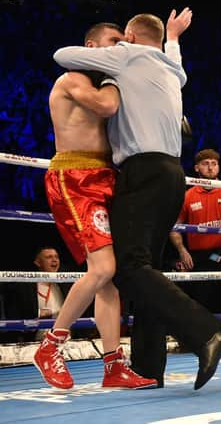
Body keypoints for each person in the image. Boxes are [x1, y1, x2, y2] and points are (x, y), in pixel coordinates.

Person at [52, 8, 221, 390]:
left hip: (143, 172)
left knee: (130, 268)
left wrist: (111, 57)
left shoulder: (126, 57)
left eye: (122, 40)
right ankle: (150, 368)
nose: (117, 45)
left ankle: (206, 333)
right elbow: (174, 59)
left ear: (130, 39)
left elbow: (61, 55)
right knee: (145, 269)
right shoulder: (172, 70)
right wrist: (173, 37)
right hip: (172, 174)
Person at [33, 22, 157, 390]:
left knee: (109, 282)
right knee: (103, 269)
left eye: (124, 43)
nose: (120, 48)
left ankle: (113, 366)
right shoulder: (72, 80)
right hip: (74, 177)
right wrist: (121, 78)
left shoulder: (100, 82)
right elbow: (106, 105)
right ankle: (51, 346)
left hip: (104, 177)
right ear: (91, 45)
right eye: (113, 42)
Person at [169, 148, 221, 346]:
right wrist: (182, 250)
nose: (210, 167)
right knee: (201, 298)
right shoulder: (188, 195)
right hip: (199, 255)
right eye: (206, 163)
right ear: (197, 167)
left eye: (214, 163)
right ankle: (204, 342)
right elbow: (174, 227)